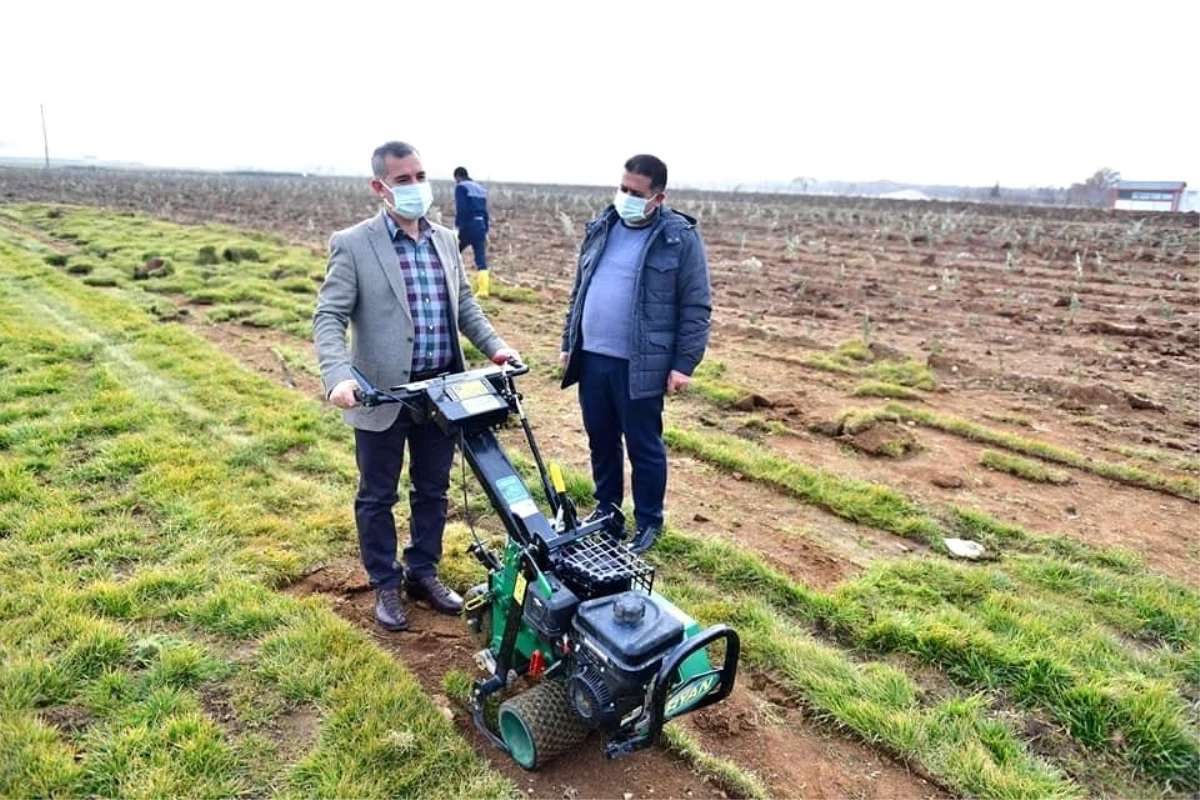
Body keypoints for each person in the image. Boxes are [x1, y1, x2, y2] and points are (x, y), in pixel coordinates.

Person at [314, 141, 519, 632]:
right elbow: (329, 316)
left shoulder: (446, 239)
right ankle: (385, 582)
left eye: (420, 176)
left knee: (433, 489)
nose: (414, 187)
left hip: (441, 391)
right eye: (403, 180)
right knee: (377, 494)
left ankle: (422, 572)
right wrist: (338, 376)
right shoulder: (354, 243)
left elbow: (465, 305)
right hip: (380, 393)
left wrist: (497, 348)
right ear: (380, 187)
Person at [558, 154, 712, 554]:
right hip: (592, 357)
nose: (625, 197)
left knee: (644, 445)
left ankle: (648, 522)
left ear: (657, 198)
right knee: (601, 439)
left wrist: (683, 364)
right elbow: (580, 291)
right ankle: (607, 512)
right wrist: (568, 343)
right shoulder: (602, 226)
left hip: (640, 362)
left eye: (636, 193)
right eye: (623, 188)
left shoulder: (678, 238)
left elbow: (696, 306)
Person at [453, 166, 491, 297]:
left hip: (468, 226)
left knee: (453, 254)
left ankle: (451, 283)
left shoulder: (461, 187)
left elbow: (462, 209)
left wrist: (457, 228)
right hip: (480, 226)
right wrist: (486, 232)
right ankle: (483, 290)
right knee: (481, 259)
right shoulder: (480, 189)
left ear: (457, 177)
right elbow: (485, 213)